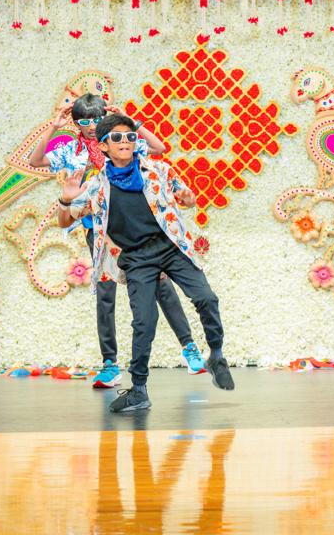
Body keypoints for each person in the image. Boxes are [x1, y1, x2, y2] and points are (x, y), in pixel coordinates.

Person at [56, 114, 234, 413]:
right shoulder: (96, 187)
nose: (125, 142)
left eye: (130, 137)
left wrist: (188, 198)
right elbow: (64, 221)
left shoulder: (158, 170)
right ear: (103, 146)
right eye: (116, 137)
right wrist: (66, 199)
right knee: (144, 322)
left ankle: (216, 355)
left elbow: (186, 198)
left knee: (206, 297)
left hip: (170, 247)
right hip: (136, 258)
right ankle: (138, 390)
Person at [30, 94, 207, 388]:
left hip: (137, 227)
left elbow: (159, 148)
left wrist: (128, 120)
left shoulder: (119, 140)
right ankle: (110, 364)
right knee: (105, 293)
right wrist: (54, 126)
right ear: (76, 124)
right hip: (100, 230)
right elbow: (35, 161)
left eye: (97, 119)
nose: (91, 126)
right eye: (84, 122)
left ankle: (189, 347)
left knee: (162, 285)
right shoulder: (71, 151)